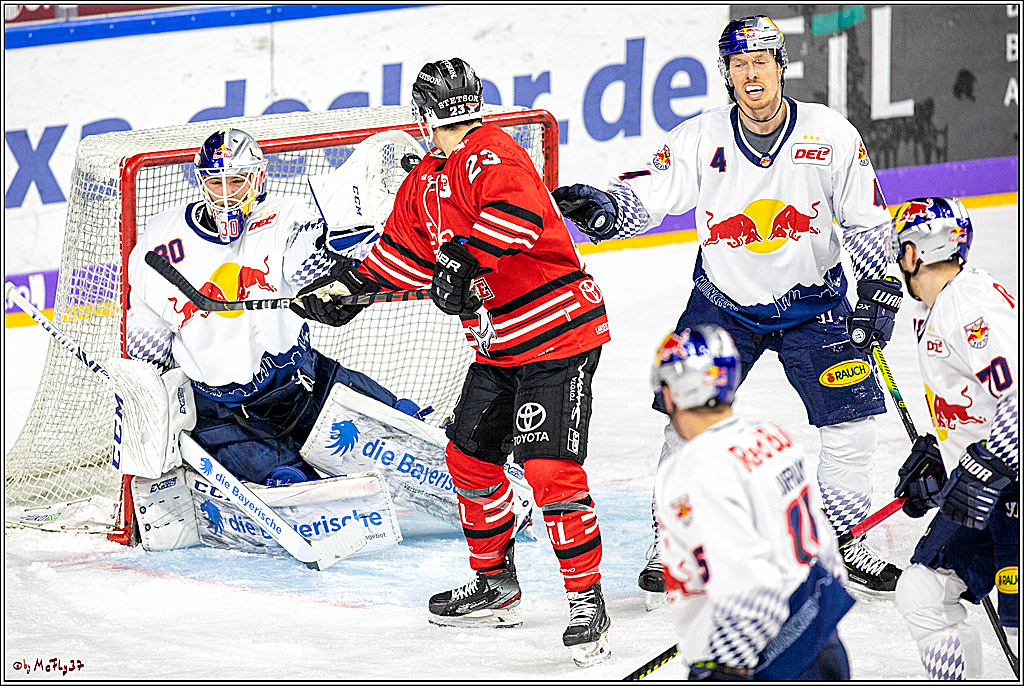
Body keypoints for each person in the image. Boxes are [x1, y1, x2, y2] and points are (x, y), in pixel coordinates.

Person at [553, 14, 904, 595]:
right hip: (724, 304)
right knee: (683, 425)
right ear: (726, 74)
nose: (750, 75)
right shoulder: (700, 137)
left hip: (815, 306)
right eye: (738, 65)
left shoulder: (830, 132)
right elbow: (650, 193)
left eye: (760, 62)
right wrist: (608, 206)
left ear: (780, 66)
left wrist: (879, 289)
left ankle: (849, 538)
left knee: (852, 430)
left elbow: (865, 217)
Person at [292, 57, 613, 667]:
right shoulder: (422, 182)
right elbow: (400, 257)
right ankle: (495, 584)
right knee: (468, 461)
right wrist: (351, 288)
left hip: (559, 337)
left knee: (548, 472)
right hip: (497, 348)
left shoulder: (492, 152)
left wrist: (465, 262)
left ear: (421, 114)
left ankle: (585, 600)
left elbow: (516, 219)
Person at [125, 128, 421, 486]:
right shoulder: (156, 247)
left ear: (258, 178)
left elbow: (307, 261)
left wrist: (339, 242)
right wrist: (152, 421)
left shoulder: (285, 217)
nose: (225, 195)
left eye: (236, 181)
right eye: (215, 184)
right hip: (225, 416)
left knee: (407, 425)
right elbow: (146, 357)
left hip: (302, 385)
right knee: (293, 483)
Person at [652, 324, 854, 680]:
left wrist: (727, 668)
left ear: (673, 393)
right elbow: (825, 545)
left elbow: (749, 587)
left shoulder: (691, 471)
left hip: (767, 657)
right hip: (824, 641)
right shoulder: (772, 437)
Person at [889, 197, 1018, 679]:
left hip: (1009, 490)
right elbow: (982, 402)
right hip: (993, 490)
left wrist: (986, 464)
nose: (896, 258)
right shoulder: (938, 307)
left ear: (919, 250)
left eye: (902, 246)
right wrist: (946, 459)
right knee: (921, 592)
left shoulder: (969, 305)